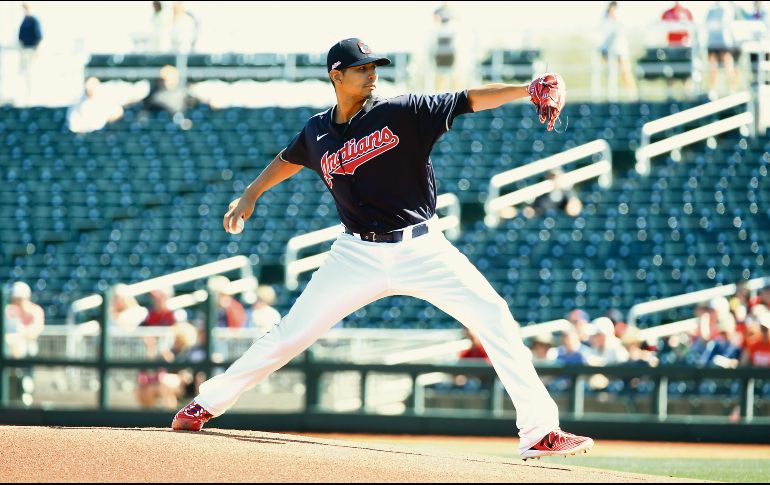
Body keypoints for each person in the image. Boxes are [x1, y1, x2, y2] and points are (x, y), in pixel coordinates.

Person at [171, 37, 593, 461]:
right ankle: (206, 402)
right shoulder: (317, 130)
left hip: (423, 248)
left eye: (375, 66)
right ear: (336, 75)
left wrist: (525, 89)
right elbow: (289, 158)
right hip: (355, 254)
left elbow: (468, 100)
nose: (372, 73)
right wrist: (251, 193)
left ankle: (540, 431)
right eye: (361, 68)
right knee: (289, 335)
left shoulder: (402, 111)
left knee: (494, 316)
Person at [4, 281, 45, 406]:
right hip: (9, 351)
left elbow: (34, 331)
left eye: (19, 299)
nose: (17, 302)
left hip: (27, 350)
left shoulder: (35, 311)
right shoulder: (8, 311)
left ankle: (25, 392)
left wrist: (18, 337)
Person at [597, 1, 638, 99]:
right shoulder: (605, 20)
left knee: (625, 72)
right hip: (608, 50)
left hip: (620, 49)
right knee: (610, 73)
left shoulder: (621, 18)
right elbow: (603, 34)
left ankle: (632, 96)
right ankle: (610, 97)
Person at [705, 1, 741, 96]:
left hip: (724, 42)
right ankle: (712, 90)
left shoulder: (728, 8)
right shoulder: (711, 10)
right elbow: (707, 24)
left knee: (728, 65)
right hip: (712, 42)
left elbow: (727, 22)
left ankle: (733, 89)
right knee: (713, 67)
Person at [17, 2, 42, 105]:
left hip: (32, 51)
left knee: (31, 74)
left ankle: (32, 98)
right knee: (24, 74)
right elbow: (20, 38)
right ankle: (24, 97)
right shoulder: (23, 21)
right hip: (24, 51)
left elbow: (39, 37)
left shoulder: (34, 21)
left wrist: (37, 51)